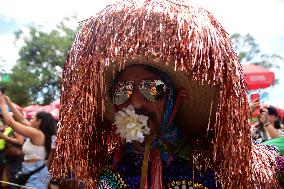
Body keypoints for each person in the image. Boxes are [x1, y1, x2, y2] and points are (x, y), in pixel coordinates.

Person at [50, 0, 283, 188]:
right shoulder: (103, 170)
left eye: (152, 88)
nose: (135, 101)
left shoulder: (214, 168)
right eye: (122, 91)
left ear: (175, 99)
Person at [0, 94, 56, 189]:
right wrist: (8, 102)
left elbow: (10, 122)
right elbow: (21, 118)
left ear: (39, 122)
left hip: (36, 173)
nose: (30, 119)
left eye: (33, 118)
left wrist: (2, 104)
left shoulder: (36, 134)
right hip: (35, 171)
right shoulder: (40, 132)